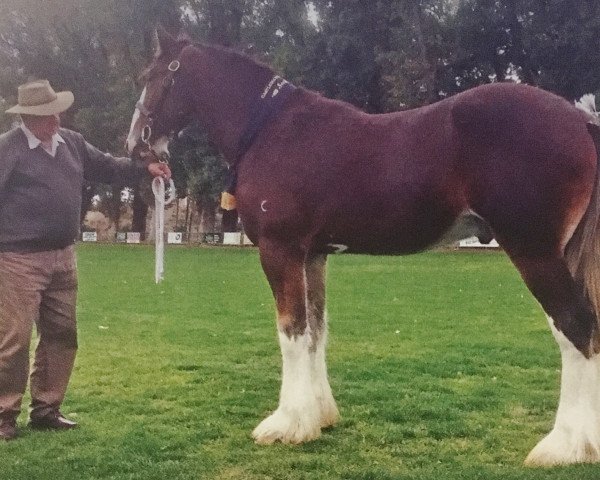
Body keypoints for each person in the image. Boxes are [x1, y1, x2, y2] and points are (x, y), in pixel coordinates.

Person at [0, 79, 171, 440]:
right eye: (48, 115)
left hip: (64, 256)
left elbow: (107, 167)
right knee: (14, 338)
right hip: (17, 260)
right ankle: (3, 416)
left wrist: (145, 170)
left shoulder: (72, 144)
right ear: (28, 118)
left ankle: (47, 409)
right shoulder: (7, 149)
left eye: (57, 111)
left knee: (63, 334)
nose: (57, 119)